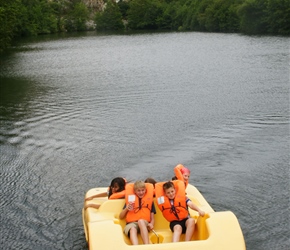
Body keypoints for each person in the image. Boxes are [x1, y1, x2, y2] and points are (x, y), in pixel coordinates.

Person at [119, 181, 156, 245]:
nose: (141, 192)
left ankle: (147, 246)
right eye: (138, 191)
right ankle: (136, 247)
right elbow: (121, 216)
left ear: (145, 190)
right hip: (131, 224)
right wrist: (126, 209)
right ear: (135, 191)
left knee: (140, 221)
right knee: (132, 229)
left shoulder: (150, 201)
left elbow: (152, 218)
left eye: (142, 190)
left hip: (144, 223)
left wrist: (151, 224)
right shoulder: (129, 202)